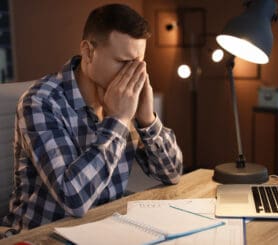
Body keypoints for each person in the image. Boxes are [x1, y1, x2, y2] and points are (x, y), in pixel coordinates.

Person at [1, 3, 183, 230]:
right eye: (124, 62)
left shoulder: (126, 99)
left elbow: (172, 173)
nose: (133, 74)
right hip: (42, 234)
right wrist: (117, 121)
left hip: (104, 227)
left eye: (139, 64)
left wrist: (147, 120)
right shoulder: (40, 102)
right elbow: (73, 199)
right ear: (88, 52)